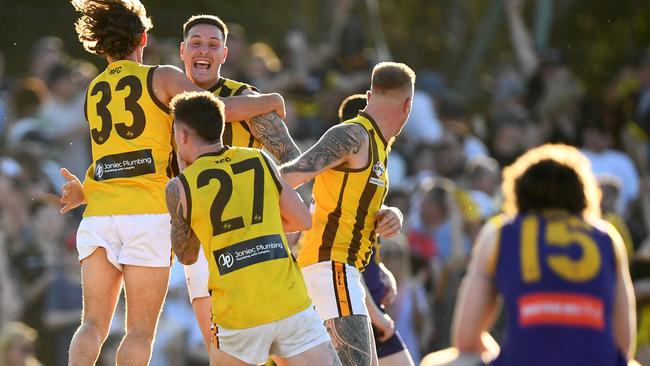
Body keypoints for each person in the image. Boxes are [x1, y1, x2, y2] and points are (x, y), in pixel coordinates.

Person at [60, 1, 286, 365]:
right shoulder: (161, 77)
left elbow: (117, 158)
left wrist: (83, 191)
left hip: (99, 215)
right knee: (138, 332)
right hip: (148, 214)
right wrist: (270, 100)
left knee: (92, 325)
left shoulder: (93, 89)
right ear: (143, 39)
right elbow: (212, 110)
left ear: (101, 45)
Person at [420, 144, 638, 366]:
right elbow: (624, 345)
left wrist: (504, 353)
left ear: (518, 189)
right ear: (584, 191)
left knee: (438, 362)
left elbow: (466, 339)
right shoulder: (608, 237)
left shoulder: (499, 233)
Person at [166, 91, 340, 365]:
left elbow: (186, 255)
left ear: (183, 135)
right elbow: (303, 221)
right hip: (289, 301)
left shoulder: (180, 186)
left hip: (238, 314)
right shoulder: (258, 159)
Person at [178, 14, 302, 349]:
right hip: (203, 241)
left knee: (282, 346)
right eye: (197, 43)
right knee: (218, 347)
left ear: (225, 55)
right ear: (182, 51)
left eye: (213, 45)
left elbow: (292, 158)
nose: (204, 50)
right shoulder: (167, 96)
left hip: (254, 239)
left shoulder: (246, 98)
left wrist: (275, 205)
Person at [280, 62, 416, 366]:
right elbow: (286, 177)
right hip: (330, 266)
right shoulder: (355, 135)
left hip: (340, 269)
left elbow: (346, 198)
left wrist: (389, 213)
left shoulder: (378, 144)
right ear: (408, 105)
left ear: (369, 95)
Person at [338, 93, 415, 366]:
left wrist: (380, 269)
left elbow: (363, 247)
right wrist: (374, 315)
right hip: (351, 311)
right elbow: (340, 261)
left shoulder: (374, 168)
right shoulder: (341, 185)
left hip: (368, 306)